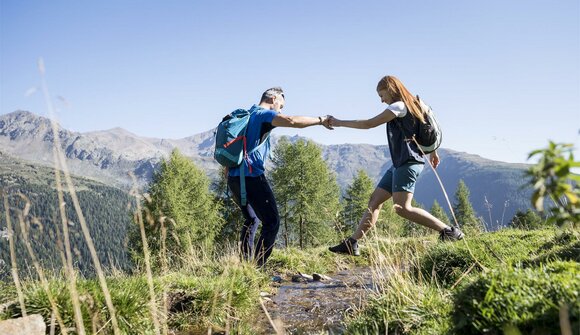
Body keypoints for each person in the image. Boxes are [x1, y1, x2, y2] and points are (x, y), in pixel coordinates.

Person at [328, 75, 464, 256]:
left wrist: (339, 122)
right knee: (374, 201)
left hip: (408, 162)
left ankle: (449, 231)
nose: (381, 100)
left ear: (391, 89)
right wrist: (433, 151)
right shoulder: (415, 103)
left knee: (402, 208)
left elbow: (369, 124)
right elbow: (427, 128)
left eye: (381, 95)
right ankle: (352, 243)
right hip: (400, 163)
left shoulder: (399, 106)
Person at [228, 87, 333, 266]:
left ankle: (245, 265)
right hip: (252, 177)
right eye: (281, 105)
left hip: (234, 177)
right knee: (272, 223)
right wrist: (320, 120)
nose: (281, 110)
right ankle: (257, 268)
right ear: (273, 99)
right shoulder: (262, 115)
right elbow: (291, 121)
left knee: (251, 219)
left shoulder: (244, 116)